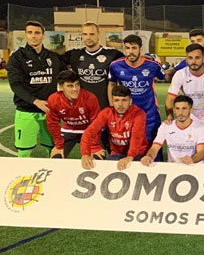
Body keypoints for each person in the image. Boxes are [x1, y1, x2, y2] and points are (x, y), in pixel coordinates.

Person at [7, 21, 61, 157]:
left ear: (43, 35)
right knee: (24, 152)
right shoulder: (17, 58)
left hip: (49, 111)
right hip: (26, 111)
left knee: (53, 149)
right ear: (25, 35)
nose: (33, 36)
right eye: (29, 33)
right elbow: (15, 85)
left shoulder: (53, 57)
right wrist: (35, 101)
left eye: (37, 33)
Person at [108, 34, 165, 143]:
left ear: (140, 49)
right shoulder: (115, 66)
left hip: (149, 115)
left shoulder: (152, 65)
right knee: (129, 148)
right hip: (126, 114)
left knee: (150, 147)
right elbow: (111, 85)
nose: (130, 51)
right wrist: (112, 107)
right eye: (127, 48)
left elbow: (166, 76)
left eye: (134, 48)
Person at [167, 43, 204, 146]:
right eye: (190, 58)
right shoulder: (180, 75)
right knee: (190, 154)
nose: (193, 61)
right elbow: (170, 99)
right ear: (186, 59)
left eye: (197, 58)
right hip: (189, 121)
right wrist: (170, 117)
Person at [80, 85, 148, 170]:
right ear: (112, 101)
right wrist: (85, 154)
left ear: (130, 101)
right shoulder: (106, 113)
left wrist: (129, 157)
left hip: (138, 153)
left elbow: (137, 137)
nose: (120, 104)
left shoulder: (139, 114)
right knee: (105, 172)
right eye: (116, 100)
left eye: (124, 100)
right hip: (117, 153)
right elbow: (89, 133)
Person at [60, 21, 123, 110]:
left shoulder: (113, 55)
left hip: (104, 107)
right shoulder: (74, 55)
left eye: (92, 34)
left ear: (98, 35)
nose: (88, 37)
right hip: (82, 108)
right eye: (85, 34)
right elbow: (54, 62)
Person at [46, 70, 103, 159]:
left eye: (77, 85)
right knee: (56, 158)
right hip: (69, 130)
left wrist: (94, 145)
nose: (75, 89)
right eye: (70, 86)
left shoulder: (90, 98)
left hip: (89, 131)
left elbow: (96, 123)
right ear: (61, 87)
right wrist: (59, 146)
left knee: (97, 159)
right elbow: (52, 124)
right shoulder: (53, 100)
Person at [141, 95, 204, 165]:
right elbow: (155, 148)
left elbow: (201, 153)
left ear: (191, 110)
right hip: (174, 169)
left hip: (194, 167)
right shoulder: (166, 127)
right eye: (177, 109)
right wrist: (149, 157)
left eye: (184, 108)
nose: (180, 113)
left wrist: (192, 159)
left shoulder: (201, 129)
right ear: (174, 110)